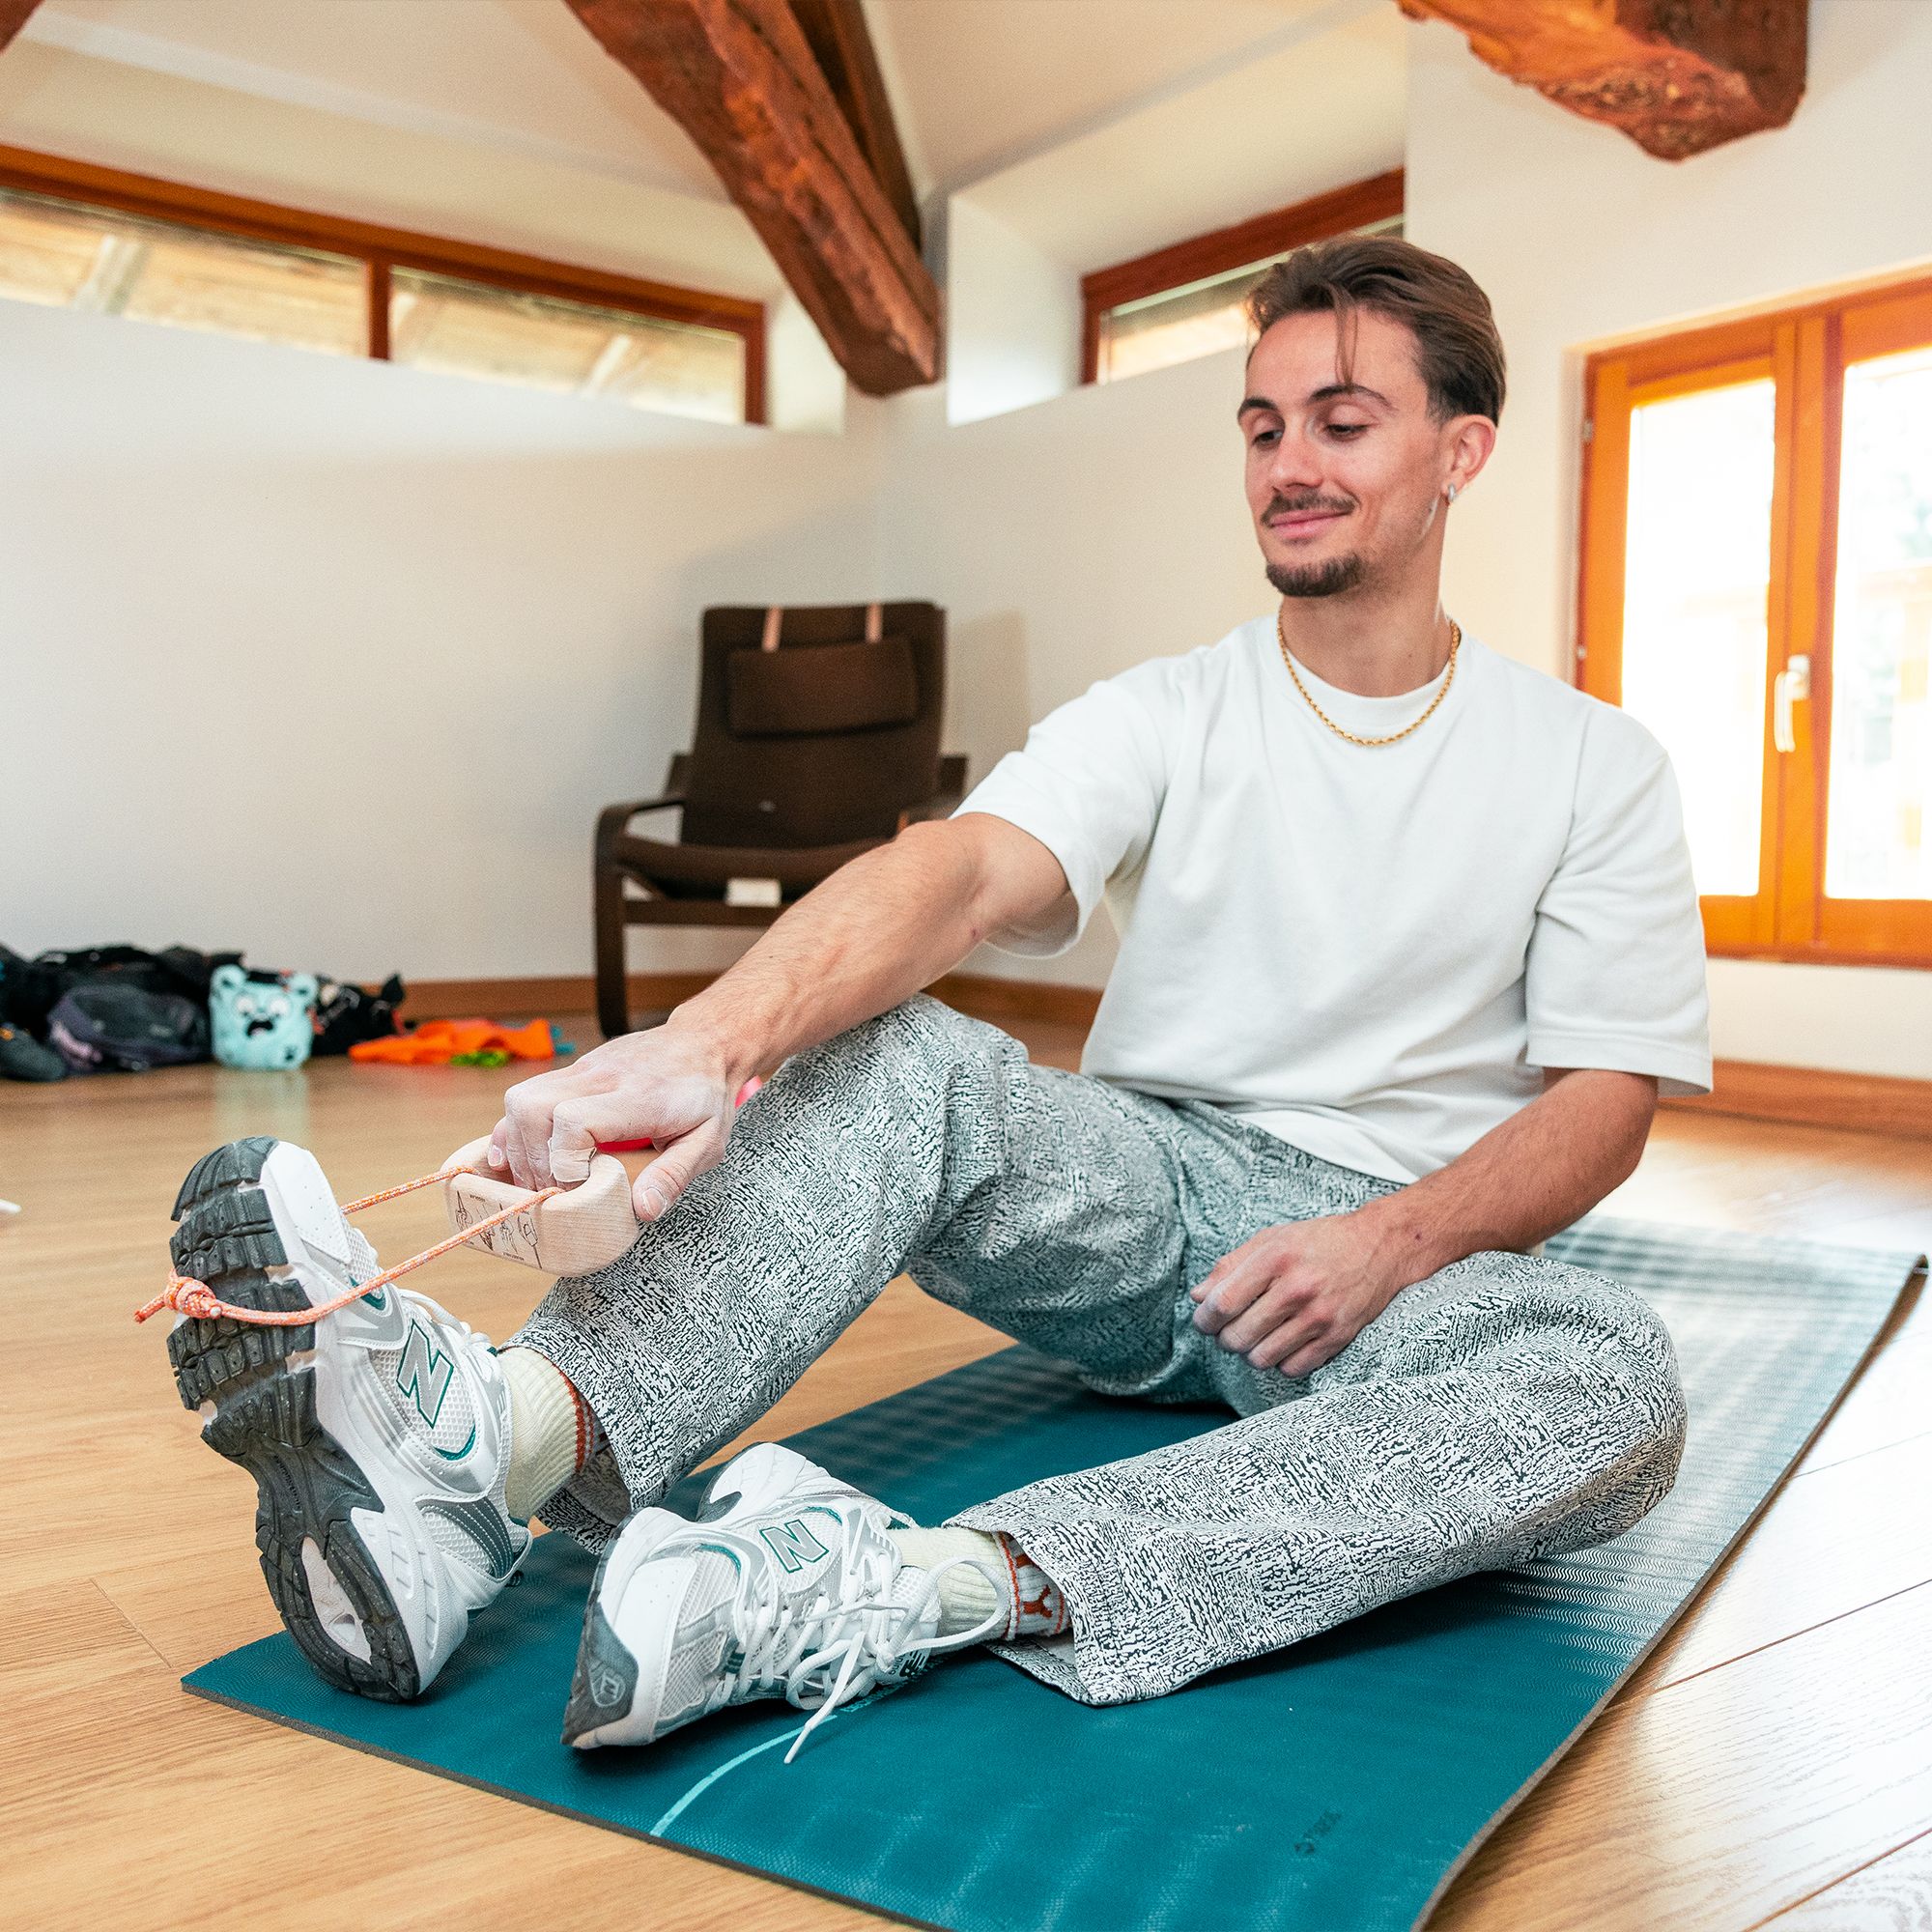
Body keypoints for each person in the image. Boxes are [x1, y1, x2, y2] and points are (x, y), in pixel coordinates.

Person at [165, 236, 1707, 1751]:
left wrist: (1396, 1240)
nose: (1288, 464)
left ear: (1461, 451)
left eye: (1342, 422)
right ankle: (484, 1462)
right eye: (1262, 426)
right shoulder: (1170, 709)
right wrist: (706, 1042)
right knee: (897, 1048)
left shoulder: (1595, 763)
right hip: (1152, 1202)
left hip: (1417, 1258)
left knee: (1610, 1381)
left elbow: (1607, 1102)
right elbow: (959, 872)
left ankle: (907, 1586)